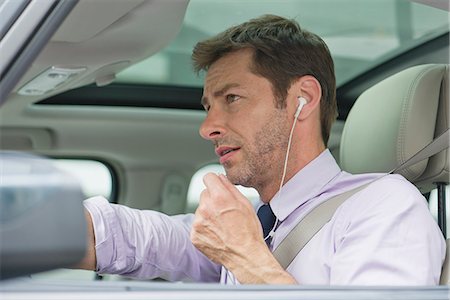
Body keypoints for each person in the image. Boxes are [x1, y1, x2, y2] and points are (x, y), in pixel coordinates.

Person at [77, 14, 445, 285]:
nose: (208, 128)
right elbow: (141, 239)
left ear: (303, 98)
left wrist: (244, 255)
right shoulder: (255, 221)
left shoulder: (383, 206)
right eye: (209, 106)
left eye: (232, 98)